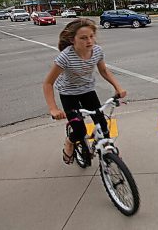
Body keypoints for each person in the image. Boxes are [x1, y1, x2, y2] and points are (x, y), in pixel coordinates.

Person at [43, 18, 126, 164]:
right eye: (83, 38)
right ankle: (69, 142)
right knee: (80, 131)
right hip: (68, 94)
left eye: (91, 36)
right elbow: (48, 83)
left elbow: (104, 71)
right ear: (72, 39)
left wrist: (118, 87)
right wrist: (53, 109)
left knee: (102, 125)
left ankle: (107, 152)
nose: (89, 41)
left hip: (88, 90)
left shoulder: (97, 51)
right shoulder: (65, 57)